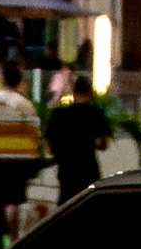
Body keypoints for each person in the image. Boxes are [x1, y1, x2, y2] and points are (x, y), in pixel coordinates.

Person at [42, 66, 110, 202]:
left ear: (74, 93)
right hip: (88, 168)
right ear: (89, 93)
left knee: (65, 203)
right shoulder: (96, 114)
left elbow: (50, 144)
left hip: (66, 168)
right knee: (88, 205)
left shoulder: (58, 115)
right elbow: (103, 144)